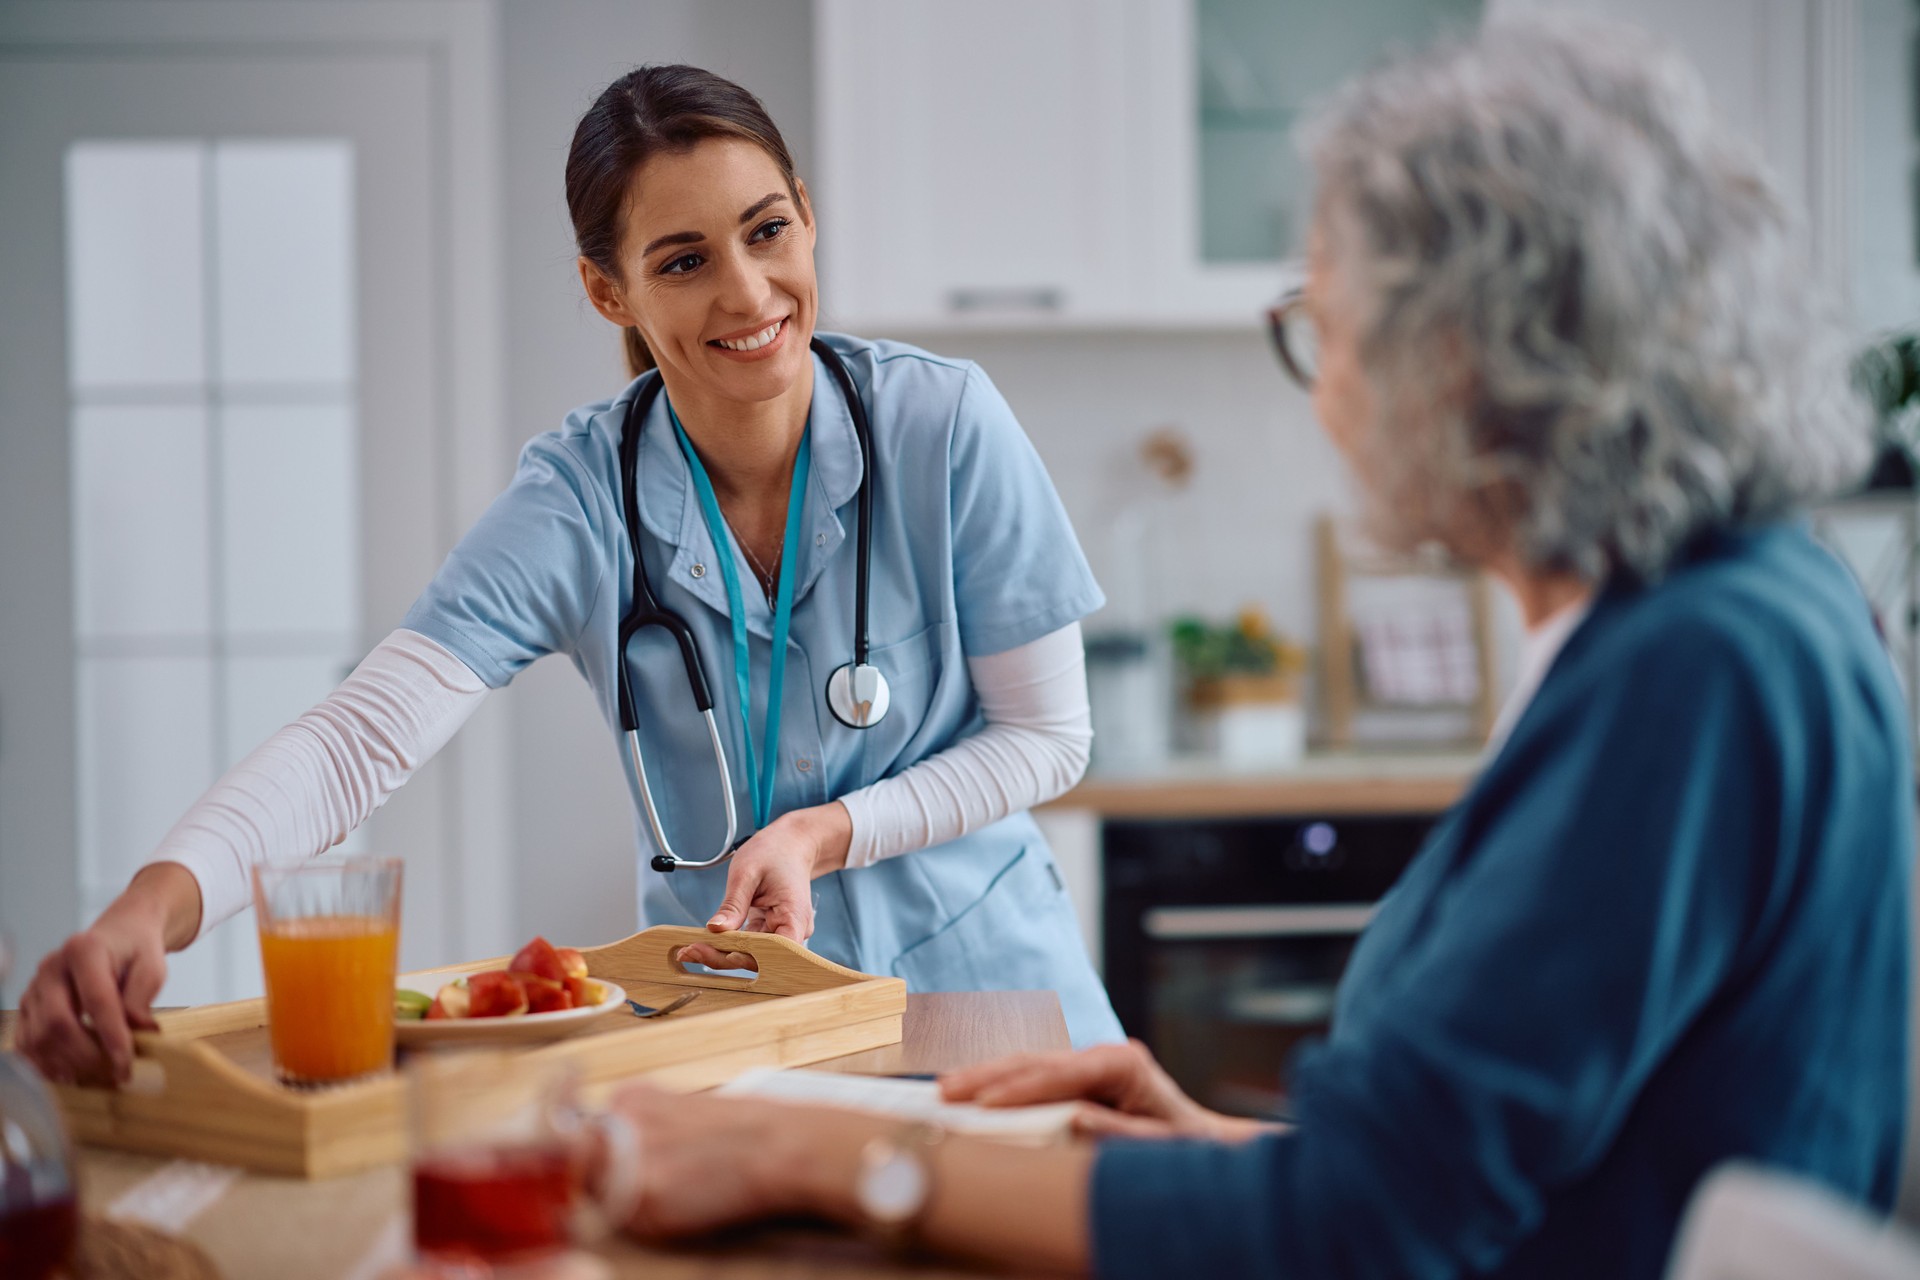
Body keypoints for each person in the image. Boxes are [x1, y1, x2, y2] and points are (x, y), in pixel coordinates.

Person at [571, 19, 1912, 1278]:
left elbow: (1363, 1231)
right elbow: (1467, 1183)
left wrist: (838, 1150)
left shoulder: (1696, 671)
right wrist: (1211, 1144)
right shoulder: (1745, 604)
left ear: (1466, 355)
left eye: (1326, 327)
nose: (1321, 387)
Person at [16, 64, 1123, 1085]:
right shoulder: (579, 497)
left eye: (766, 230)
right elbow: (359, 740)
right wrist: (144, 910)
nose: (747, 293)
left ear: (806, 216)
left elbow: (1046, 736)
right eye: (683, 261)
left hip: (989, 999)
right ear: (610, 293)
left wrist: (825, 832)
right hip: (730, 1031)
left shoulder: (942, 424)